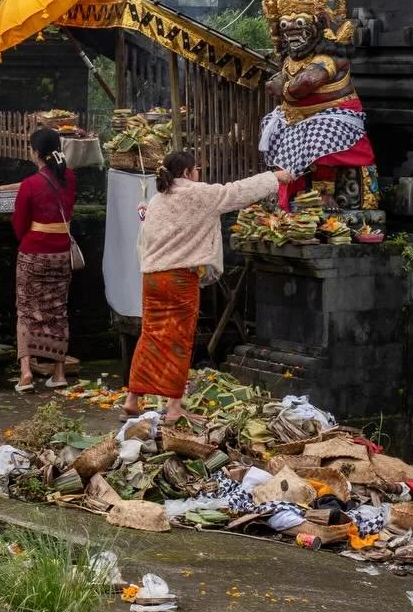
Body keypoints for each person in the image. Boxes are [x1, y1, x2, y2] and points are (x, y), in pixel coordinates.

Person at [123, 151, 292, 421]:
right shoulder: (199, 194)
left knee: (151, 336)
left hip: (152, 278)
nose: (199, 173)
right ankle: (174, 407)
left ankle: (132, 398)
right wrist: (275, 177)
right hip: (179, 279)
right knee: (179, 340)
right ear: (187, 172)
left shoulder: (157, 200)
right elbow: (237, 191)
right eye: (196, 169)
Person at [10, 128, 78, 392]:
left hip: (34, 254)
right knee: (58, 311)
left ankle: (26, 372)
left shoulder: (30, 184)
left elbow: (19, 225)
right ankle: (59, 373)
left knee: (27, 310)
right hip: (62, 255)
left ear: (36, 152)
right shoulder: (69, 178)